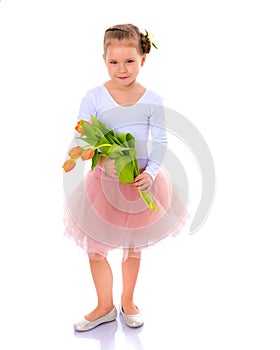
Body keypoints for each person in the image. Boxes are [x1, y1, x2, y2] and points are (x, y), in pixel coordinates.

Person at [63, 23, 188, 331]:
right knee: (96, 249)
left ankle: (127, 301)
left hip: (137, 183)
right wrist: (89, 151)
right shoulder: (94, 96)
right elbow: (83, 133)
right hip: (102, 187)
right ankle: (104, 305)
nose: (122, 69)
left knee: (133, 249)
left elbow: (159, 141)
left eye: (129, 61)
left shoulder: (152, 99)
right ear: (104, 59)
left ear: (143, 58)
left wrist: (151, 174)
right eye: (114, 61)